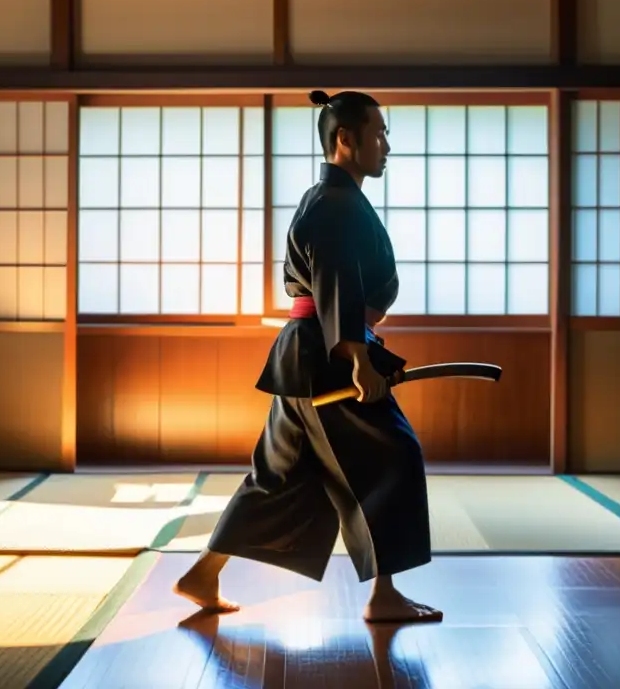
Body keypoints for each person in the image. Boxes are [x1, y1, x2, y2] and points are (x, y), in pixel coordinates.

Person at [173, 90, 440, 623]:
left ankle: (202, 574)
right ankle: (384, 595)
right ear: (346, 139)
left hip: (304, 358)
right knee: (393, 457)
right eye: (378, 133)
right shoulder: (336, 204)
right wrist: (358, 358)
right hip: (327, 358)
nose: (386, 146)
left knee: (280, 476)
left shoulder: (327, 198)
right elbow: (334, 282)